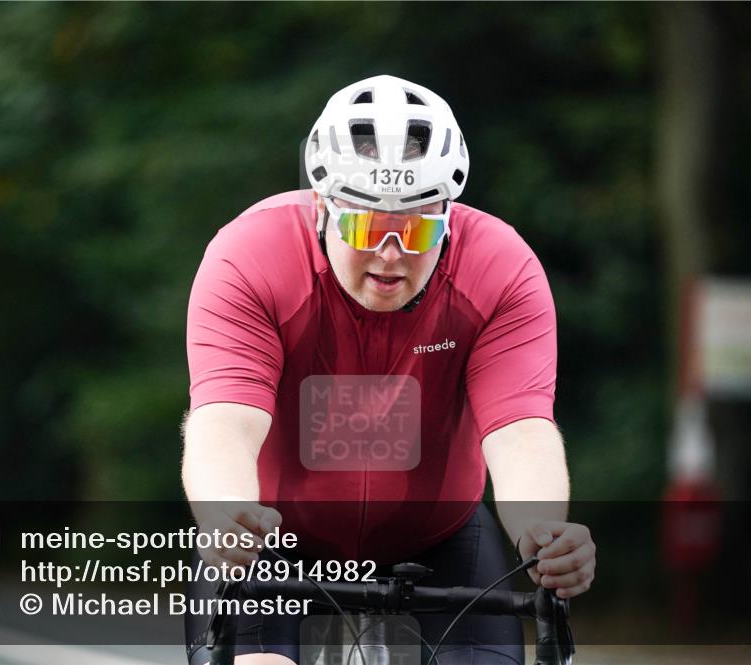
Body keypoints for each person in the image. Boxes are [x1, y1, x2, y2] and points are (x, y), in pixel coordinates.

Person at [182, 75, 596, 665]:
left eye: (420, 228)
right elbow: (224, 420)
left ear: (449, 217)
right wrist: (223, 513)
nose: (391, 253)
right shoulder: (250, 255)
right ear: (322, 206)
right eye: (367, 226)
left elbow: (521, 428)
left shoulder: (501, 266)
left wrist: (545, 535)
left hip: (438, 533)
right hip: (270, 538)